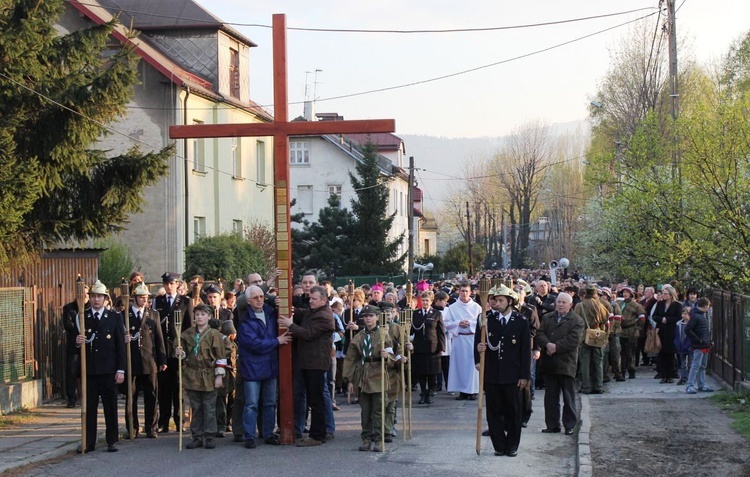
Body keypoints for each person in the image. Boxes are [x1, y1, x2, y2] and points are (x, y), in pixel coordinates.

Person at [475, 285, 530, 457]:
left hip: (512, 374)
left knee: (513, 412)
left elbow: (525, 351)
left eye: (500, 300)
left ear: (510, 302)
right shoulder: (486, 319)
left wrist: (524, 376)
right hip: (492, 373)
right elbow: (477, 342)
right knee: (494, 411)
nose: (496, 303)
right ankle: (498, 445)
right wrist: (479, 355)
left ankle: (512, 445)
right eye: (494, 300)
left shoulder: (520, 321)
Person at [279, 285, 335, 446]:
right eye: (310, 298)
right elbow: (303, 314)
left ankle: (317, 436)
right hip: (310, 362)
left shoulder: (324, 316)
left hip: (315, 363)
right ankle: (319, 432)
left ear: (323, 300)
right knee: (314, 399)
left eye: (313, 299)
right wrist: (287, 307)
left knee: (316, 400)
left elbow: (307, 333)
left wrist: (290, 324)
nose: (309, 301)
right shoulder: (315, 311)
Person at [237, 285, 292, 448]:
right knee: (251, 404)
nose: (260, 300)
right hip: (252, 368)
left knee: (270, 402)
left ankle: (268, 433)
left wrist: (281, 303)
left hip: (270, 366)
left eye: (261, 296)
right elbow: (254, 344)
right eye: (255, 297)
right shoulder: (245, 320)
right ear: (248, 301)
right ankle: (249, 436)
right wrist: (277, 341)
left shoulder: (271, 313)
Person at [75, 280, 126, 453]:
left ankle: (111, 440)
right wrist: (77, 342)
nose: (96, 300)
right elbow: (75, 344)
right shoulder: (83, 316)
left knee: (110, 406)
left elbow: (120, 346)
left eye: (100, 297)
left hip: (109, 370)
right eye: (93, 296)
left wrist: (121, 369)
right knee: (89, 408)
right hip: (89, 370)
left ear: (105, 299)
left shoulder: (114, 317)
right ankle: (89, 442)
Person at [175, 303, 227, 449]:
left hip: (209, 374)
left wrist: (219, 376)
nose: (199, 317)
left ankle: (210, 435)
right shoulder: (187, 334)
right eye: (197, 314)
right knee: (195, 407)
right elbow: (182, 351)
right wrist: (180, 353)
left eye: (203, 314)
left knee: (209, 406)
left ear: (209, 316)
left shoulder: (214, 334)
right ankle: (196, 436)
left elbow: (221, 357)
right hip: (192, 374)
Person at [343, 305, 395, 452]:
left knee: (378, 410)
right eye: (365, 316)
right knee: (365, 411)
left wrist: (388, 357)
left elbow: (391, 355)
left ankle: (379, 439)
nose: (368, 319)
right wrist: (350, 380)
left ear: (377, 317)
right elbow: (350, 359)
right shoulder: (359, 336)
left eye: (371, 316)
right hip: (364, 375)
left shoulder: (384, 334)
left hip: (378, 373)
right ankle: (366, 438)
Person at [536, 293, 584, 435]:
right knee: (550, 397)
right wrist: (547, 345)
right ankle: (552, 425)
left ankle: (569, 425)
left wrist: (556, 347)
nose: (561, 304)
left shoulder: (577, 321)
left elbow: (574, 340)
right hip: (549, 363)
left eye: (564, 302)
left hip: (566, 363)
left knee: (568, 397)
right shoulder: (547, 317)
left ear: (570, 305)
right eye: (559, 302)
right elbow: (540, 333)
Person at [153, 272, 194, 433]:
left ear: (177, 284)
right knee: (163, 387)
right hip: (163, 348)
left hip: (178, 348)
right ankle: (164, 421)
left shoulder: (185, 301)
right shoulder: (158, 301)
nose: (169, 286)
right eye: (166, 284)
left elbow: (189, 327)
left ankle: (179, 421)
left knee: (178, 387)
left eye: (172, 283)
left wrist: (185, 348)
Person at [125, 284, 167, 439]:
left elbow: (159, 338)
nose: (144, 300)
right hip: (132, 361)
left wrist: (162, 359)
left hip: (150, 360)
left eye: (146, 297)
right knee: (132, 396)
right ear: (134, 298)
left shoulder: (153, 314)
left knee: (151, 395)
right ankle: (132, 427)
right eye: (141, 297)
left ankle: (151, 427)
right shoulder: (125, 315)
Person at [444, 282, 482, 400]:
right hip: (459, 339)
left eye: (466, 291)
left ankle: (473, 391)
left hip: (472, 339)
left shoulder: (477, 307)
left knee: (472, 366)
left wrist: (470, 324)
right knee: (459, 366)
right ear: (458, 292)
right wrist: (458, 323)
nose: (464, 293)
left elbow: (482, 323)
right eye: (462, 291)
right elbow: (447, 323)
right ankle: (462, 391)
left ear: (470, 292)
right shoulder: (452, 307)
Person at [410, 290, 445, 405]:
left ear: (431, 301)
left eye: (427, 300)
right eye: (423, 300)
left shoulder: (436, 313)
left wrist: (442, 348)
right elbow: (412, 330)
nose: (425, 302)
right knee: (421, 373)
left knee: (431, 373)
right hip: (419, 347)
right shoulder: (415, 313)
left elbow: (440, 332)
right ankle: (423, 393)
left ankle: (430, 393)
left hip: (432, 347)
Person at [574, 286, 609, 394]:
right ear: (594, 294)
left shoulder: (580, 305)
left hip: (584, 335)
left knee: (585, 362)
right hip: (597, 333)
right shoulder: (600, 305)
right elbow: (606, 318)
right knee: (598, 361)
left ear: (585, 294)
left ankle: (586, 386)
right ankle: (598, 386)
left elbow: (575, 320)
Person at [62, 285, 89, 408]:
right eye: (80, 294)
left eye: (85, 294)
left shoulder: (91, 308)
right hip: (74, 346)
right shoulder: (69, 308)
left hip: (89, 345)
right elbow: (68, 324)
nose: (82, 297)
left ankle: (89, 396)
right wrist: (80, 332)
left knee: (90, 371)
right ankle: (71, 398)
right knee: (72, 372)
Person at [653, 285, 682, 383]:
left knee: (670, 354)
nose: (663, 295)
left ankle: (670, 375)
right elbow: (654, 316)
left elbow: (679, 317)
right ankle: (663, 375)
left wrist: (668, 320)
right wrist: (661, 319)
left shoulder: (677, 305)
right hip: (661, 331)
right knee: (661, 354)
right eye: (663, 293)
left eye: (666, 294)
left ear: (671, 295)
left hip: (671, 331)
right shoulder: (660, 304)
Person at [685, 297, 713, 394]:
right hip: (700, 345)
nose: (708, 309)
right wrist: (698, 340)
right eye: (708, 307)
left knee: (701, 366)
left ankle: (701, 384)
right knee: (696, 365)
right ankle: (690, 385)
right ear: (705, 306)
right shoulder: (697, 316)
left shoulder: (699, 315)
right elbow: (688, 329)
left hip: (704, 344)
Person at [216, 320, 238, 438]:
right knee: (221, 402)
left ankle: (227, 423)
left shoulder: (233, 344)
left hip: (232, 376)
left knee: (231, 401)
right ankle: (221, 425)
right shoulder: (223, 343)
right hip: (224, 375)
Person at [619, 287, 646, 379]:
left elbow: (642, 318)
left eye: (627, 292)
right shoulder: (620, 304)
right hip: (621, 331)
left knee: (631, 352)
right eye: (624, 292)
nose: (625, 294)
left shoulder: (636, 305)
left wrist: (638, 328)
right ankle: (622, 371)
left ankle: (631, 370)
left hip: (631, 330)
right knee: (622, 352)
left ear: (631, 294)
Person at [674, 307, 692, 386]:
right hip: (681, 347)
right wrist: (676, 343)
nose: (684, 316)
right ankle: (683, 377)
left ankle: (691, 378)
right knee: (682, 364)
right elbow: (677, 336)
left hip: (690, 347)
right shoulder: (679, 324)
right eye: (683, 314)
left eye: (686, 314)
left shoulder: (692, 325)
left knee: (691, 364)